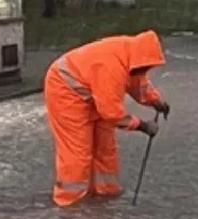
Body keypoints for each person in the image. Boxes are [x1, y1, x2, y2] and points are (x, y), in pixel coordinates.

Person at [43, 30, 170, 207]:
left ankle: (105, 192)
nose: (146, 71)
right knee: (78, 151)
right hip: (65, 91)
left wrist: (156, 101)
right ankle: (70, 201)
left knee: (105, 148)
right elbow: (112, 113)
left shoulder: (132, 57)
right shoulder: (111, 67)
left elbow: (137, 83)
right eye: (146, 67)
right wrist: (142, 126)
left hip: (92, 91)